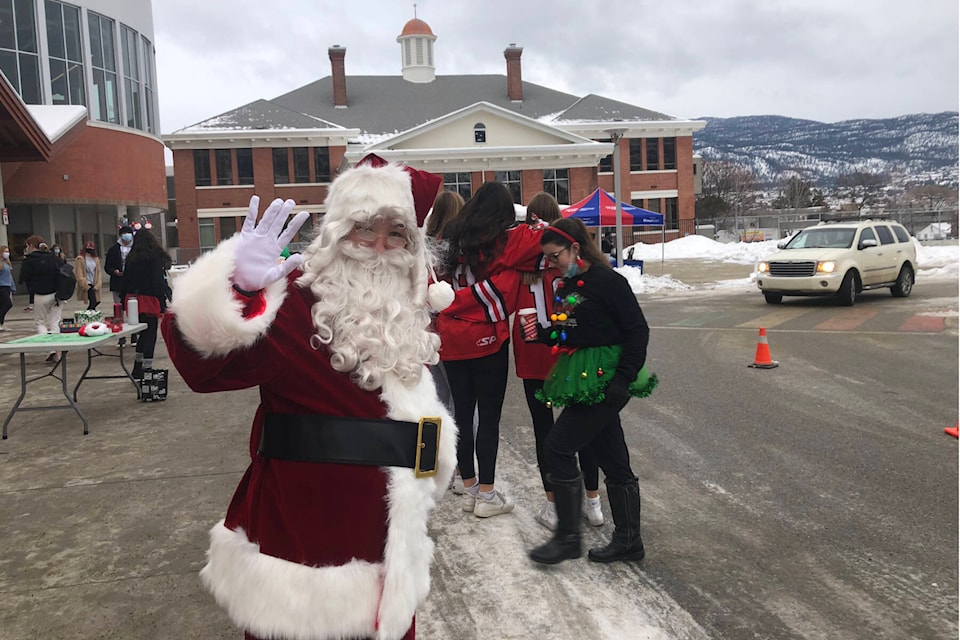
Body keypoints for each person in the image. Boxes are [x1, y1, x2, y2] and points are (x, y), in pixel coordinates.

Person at [160, 161, 456, 640]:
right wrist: (236, 291)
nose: (378, 246)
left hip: (389, 545)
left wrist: (430, 467)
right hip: (302, 546)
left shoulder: (407, 311)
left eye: (395, 233)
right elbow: (200, 368)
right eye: (363, 228)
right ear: (338, 232)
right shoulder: (295, 304)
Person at [527, 217, 657, 565]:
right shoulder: (566, 287)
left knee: (558, 446)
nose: (552, 265)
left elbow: (637, 330)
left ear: (575, 248)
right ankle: (629, 541)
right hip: (583, 377)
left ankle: (568, 538)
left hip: (605, 377)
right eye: (548, 260)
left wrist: (622, 380)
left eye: (555, 257)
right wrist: (543, 333)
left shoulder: (608, 282)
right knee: (611, 456)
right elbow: (569, 330)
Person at [436, 181, 543, 517]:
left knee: (462, 415)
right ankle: (486, 494)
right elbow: (547, 236)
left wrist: (451, 304)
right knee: (489, 419)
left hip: (450, 336)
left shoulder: (449, 240)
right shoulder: (504, 241)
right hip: (486, 335)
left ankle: (467, 485)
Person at [516, 193, 604, 530]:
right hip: (568, 350)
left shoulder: (520, 264)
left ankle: (553, 504)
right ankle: (592, 501)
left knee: (544, 431)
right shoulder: (569, 261)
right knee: (583, 429)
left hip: (532, 351)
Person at [120, 229, 170, 380]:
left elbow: (124, 281)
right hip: (149, 299)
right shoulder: (154, 257)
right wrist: (166, 296)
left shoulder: (131, 258)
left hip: (132, 299)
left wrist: (123, 302)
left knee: (142, 333)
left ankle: (137, 366)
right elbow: (157, 280)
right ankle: (147, 368)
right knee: (150, 334)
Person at [18, 235, 62, 362]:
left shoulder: (29, 260)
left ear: (31, 246)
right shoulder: (53, 257)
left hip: (40, 295)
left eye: (27, 246)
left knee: (40, 322)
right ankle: (57, 350)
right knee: (55, 322)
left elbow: (24, 278)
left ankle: (50, 349)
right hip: (57, 294)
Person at [104, 225, 134, 305]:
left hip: (132, 282)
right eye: (125, 233)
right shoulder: (113, 250)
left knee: (132, 305)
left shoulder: (136, 248)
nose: (127, 235)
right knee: (118, 305)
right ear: (120, 235)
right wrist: (114, 271)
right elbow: (107, 266)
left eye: (129, 233)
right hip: (117, 282)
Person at [75, 241, 102, 311]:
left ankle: (89, 314)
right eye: (88, 248)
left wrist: (98, 284)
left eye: (91, 248)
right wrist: (84, 284)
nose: (90, 249)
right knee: (93, 301)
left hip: (94, 282)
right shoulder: (80, 259)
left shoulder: (96, 259)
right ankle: (88, 315)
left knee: (97, 301)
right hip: (87, 283)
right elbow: (79, 273)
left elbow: (98, 272)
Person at [0, 245, 15, 331]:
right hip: (1, 286)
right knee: (7, 304)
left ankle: (1, 323)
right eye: (5, 251)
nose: (7, 253)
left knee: (2, 305)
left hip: (7, 286)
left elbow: (9, 276)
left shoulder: (6, 263)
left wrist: (12, 287)